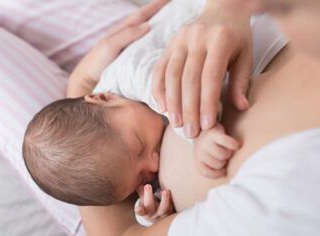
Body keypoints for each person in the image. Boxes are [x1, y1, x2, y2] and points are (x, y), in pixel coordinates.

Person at [79, 0, 320, 235]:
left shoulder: (287, 196)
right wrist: (224, 10)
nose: (154, 164)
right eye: (142, 177)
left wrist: (82, 84)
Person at [22, 0, 242, 210]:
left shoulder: (127, 73)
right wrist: (150, 209)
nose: (154, 166)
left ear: (104, 98)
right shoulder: (125, 145)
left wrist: (199, 134)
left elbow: (172, 88)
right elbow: (153, 188)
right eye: (141, 177)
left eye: (139, 146)